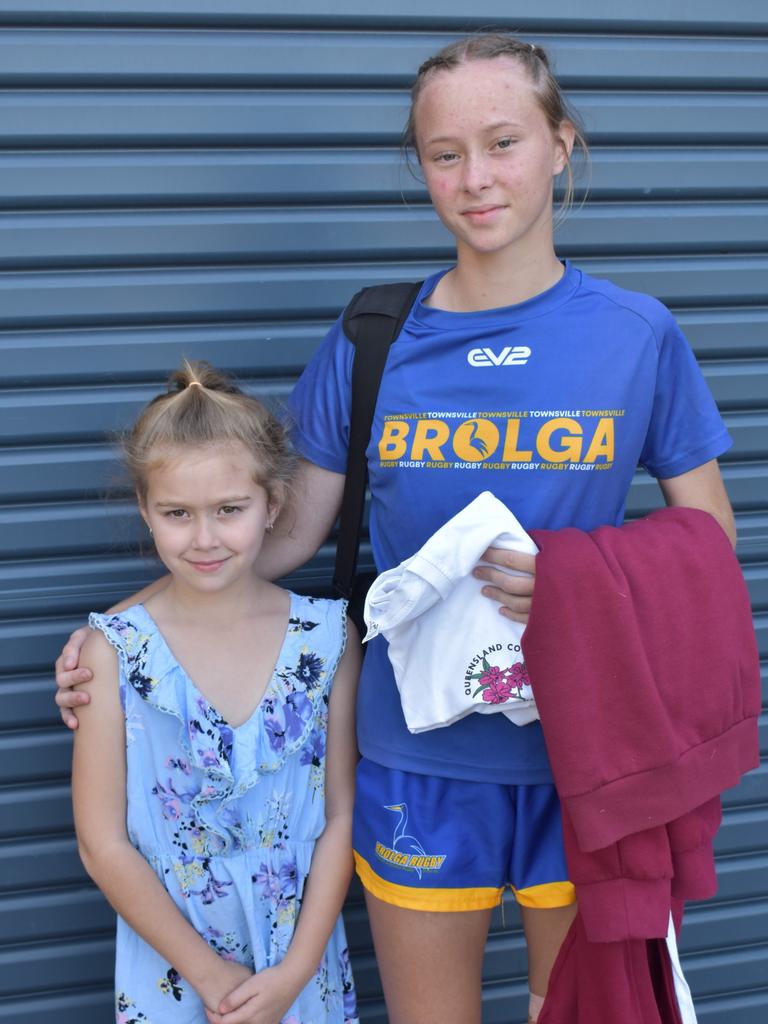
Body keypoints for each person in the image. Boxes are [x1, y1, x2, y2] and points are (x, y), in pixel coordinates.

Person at [57, 34, 736, 1024]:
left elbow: (707, 543)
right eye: (444, 153)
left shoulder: (636, 333)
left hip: (588, 756)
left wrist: (588, 581)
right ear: (419, 167)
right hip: (416, 759)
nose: (476, 178)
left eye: (504, 142)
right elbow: (276, 546)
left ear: (561, 146)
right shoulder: (374, 336)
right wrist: (120, 633)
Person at [70, 361, 360, 1024]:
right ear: (146, 510)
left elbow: (341, 815)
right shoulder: (112, 653)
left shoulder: (327, 640)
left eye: (230, 510)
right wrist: (211, 976)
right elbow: (101, 842)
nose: (204, 538)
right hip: (175, 964)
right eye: (177, 514)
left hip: (300, 960)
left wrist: (294, 972)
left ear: (273, 506)